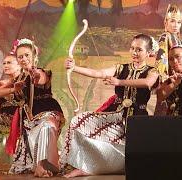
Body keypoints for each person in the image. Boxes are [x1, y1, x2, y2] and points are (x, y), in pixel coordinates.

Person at [60, 34, 159, 177]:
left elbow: (147, 83)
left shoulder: (153, 71)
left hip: (137, 119)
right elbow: (99, 73)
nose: (134, 52)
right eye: (132, 48)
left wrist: (120, 82)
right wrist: (74, 67)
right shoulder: (121, 68)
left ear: (149, 52)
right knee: (79, 121)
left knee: (136, 155)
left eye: (139, 49)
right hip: (115, 114)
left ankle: (109, 166)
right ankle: (81, 165)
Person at [0, 38, 65, 177]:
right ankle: (38, 165)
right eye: (20, 57)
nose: (24, 58)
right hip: (28, 116)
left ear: (34, 57)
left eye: (27, 55)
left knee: (46, 127)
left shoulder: (43, 71)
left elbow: (40, 78)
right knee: (31, 136)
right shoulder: (18, 79)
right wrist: (13, 89)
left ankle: (43, 166)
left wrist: (35, 75)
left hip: (47, 111)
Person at [155, 4, 182, 115]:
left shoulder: (178, 39)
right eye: (172, 21)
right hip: (170, 81)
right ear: (165, 22)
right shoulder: (165, 36)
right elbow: (161, 60)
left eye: (179, 22)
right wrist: (166, 81)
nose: (176, 25)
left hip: (180, 80)